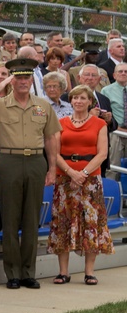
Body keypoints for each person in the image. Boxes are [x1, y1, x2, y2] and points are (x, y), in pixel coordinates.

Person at [0, 58, 61, 289]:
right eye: (17, 77)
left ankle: (29, 272)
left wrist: (52, 168)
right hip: (9, 159)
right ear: (11, 80)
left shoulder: (42, 105)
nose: (22, 82)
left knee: (31, 219)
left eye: (26, 77)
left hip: (36, 160)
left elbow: (51, 138)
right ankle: (13, 274)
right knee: (10, 219)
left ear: (31, 80)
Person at [49, 84, 113, 285]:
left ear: (89, 101)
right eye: (75, 98)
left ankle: (89, 272)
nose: (78, 101)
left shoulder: (99, 124)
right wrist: (70, 172)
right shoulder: (60, 123)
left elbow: (102, 153)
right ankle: (63, 272)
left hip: (91, 179)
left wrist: (83, 173)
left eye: (82, 98)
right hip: (64, 178)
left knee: (91, 223)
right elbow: (54, 153)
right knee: (63, 222)